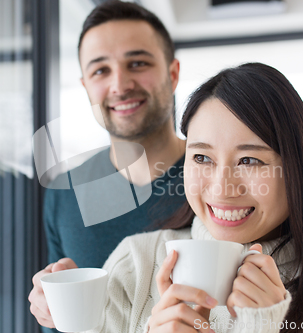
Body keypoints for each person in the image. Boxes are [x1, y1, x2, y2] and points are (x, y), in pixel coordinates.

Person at [35, 63, 303, 333]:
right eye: (202, 157)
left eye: (249, 160)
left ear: (295, 171)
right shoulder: (136, 264)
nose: (222, 187)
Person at [29, 1, 187, 330]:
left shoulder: (221, 179)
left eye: (138, 63)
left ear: (172, 75)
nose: (120, 84)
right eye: (101, 70)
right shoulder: (65, 192)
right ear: (86, 86)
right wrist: (48, 313)